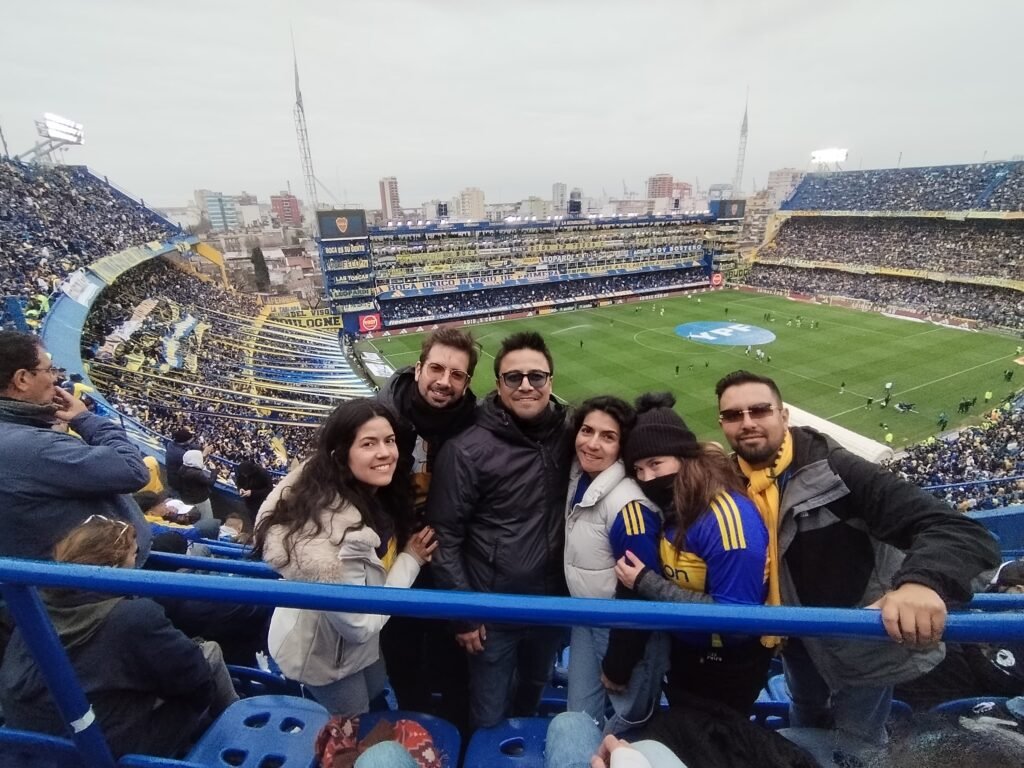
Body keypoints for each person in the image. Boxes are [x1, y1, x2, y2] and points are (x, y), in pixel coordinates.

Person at [713, 370, 1001, 764]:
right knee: (805, 714)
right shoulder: (729, 482)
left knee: (859, 744)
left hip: (860, 641)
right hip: (794, 640)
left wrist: (922, 583)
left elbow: (960, 531)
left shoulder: (837, 471)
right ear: (723, 425)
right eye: (733, 415)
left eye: (759, 410)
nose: (746, 422)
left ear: (784, 415)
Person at [255, 398, 437, 715]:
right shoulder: (335, 540)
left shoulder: (361, 490)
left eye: (389, 440)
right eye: (369, 443)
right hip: (326, 657)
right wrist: (411, 560)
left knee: (376, 690)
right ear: (342, 454)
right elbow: (361, 625)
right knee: (354, 728)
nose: (385, 452)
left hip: (355, 647)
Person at [427, 331, 572, 729]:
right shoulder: (466, 450)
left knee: (532, 696)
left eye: (536, 377)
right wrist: (466, 614)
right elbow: (445, 538)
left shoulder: (571, 434)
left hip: (553, 607)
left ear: (550, 383)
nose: (526, 385)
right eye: (514, 377)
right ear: (498, 385)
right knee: (489, 715)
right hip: (494, 615)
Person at [0, 515, 237, 758]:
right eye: (134, 555)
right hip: (106, 750)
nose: (137, 562)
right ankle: (234, 730)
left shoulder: (31, 603)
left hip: (32, 746)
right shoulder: (134, 616)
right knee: (210, 653)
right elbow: (198, 682)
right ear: (115, 564)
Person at [602, 393, 772, 717]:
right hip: (684, 653)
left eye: (656, 464)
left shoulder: (725, 518)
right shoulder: (671, 506)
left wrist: (646, 583)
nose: (647, 478)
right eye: (638, 469)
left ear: (682, 457)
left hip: (727, 666)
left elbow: (735, 619)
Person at [376, 328, 479, 728]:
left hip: (453, 560)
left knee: (454, 663)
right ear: (418, 368)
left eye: (457, 374)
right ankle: (412, 730)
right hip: (396, 560)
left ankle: (456, 735)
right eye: (436, 368)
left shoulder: (476, 423)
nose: (444, 381)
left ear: (467, 382)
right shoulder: (378, 416)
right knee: (403, 657)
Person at [0, 330, 151, 561]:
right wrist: (86, 420)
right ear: (22, 379)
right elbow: (132, 470)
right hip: (88, 587)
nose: (56, 378)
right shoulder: (33, 446)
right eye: (49, 370)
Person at [563, 395, 665, 733]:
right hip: (585, 615)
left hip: (619, 629)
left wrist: (620, 663)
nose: (592, 444)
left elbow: (642, 590)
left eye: (607, 437)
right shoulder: (580, 476)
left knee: (629, 720)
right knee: (579, 715)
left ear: (622, 446)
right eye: (587, 430)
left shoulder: (628, 506)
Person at [177, 449, 218, 522]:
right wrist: (214, 470)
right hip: (200, 500)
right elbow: (211, 482)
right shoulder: (197, 474)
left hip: (186, 498)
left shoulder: (182, 468)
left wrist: (204, 457)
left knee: (190, 517)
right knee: (207, 519)